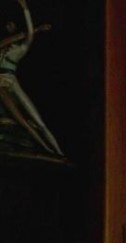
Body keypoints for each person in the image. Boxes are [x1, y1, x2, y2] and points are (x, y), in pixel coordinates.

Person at [0, 0, 63, 159]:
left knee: (39, 122)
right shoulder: (3, 47)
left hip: (12, 83)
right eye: (7, 26)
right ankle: (46, 149)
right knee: (22, 122)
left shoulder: (20, 49)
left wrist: (26, 9)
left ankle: (57, 151)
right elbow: (14, 38)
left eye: (12, 25)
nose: (9, 27)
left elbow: (28, 34)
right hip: (1, 86)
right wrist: (36, 29)